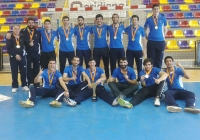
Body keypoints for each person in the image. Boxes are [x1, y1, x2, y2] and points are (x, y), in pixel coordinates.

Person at [6, 25, 29, 92]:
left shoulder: (22, 36)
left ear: (20, 30)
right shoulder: (9, 37)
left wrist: (30, 43)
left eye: (18, 29)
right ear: (13, 30)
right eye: (15, 29)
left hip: (22, 57)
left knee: (24, 72)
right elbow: (8, 48)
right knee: (14, 72)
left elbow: (26, 44)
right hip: (13, 58)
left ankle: (24, 85)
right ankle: (15, 86)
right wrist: (15, 55)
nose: (16, 30)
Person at [144, 4, 167, 69]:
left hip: (160, 42)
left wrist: (163, 36)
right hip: (151, 41)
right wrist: (146, 35)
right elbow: (145, 28)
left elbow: (165, 28)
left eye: (157, 9)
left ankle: (158, 73)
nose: (156, 10)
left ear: (159, 10)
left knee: (159, 59)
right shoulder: (148, 19)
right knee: (151, 59)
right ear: (152, 10)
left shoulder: (163, 19)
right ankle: (151, 73)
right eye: (154, 9)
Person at [21, 17, 41, 87]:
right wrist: (28, 43)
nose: (31, 24)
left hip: (36, 53)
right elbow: (20, 40)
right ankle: (29, 83)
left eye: (32, 22)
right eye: (29, 22)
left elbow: (40, 42)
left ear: (34, 23)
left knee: (37, 68)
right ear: (27, 23)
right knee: (28, 69)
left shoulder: (38, 32)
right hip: (27, 53)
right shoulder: (22, 32)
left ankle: (36, 83)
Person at [125, 15, 145, 81]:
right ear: (131, 21)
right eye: (133, 20)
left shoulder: (141, 29)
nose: (134, 21)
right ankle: (131, 79)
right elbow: (125, 33)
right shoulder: (128, 28)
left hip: (138, 50)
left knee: (139, 66)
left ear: (137, 21)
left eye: (135, 20)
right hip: (129, 50)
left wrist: (144, 49)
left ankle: (139, 80)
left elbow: (143, 40)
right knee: (130, 66)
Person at [91, 14, 109, 79]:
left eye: (100, 19)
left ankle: (107, 78)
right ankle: (97, 78)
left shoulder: (106, 27)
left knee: (106, 64)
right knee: (96, 65)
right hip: (96, 49)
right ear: (95, 20)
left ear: (102, 20)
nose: (99, 20)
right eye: (97, 19)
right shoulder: (93, 28)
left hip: (105, 48)